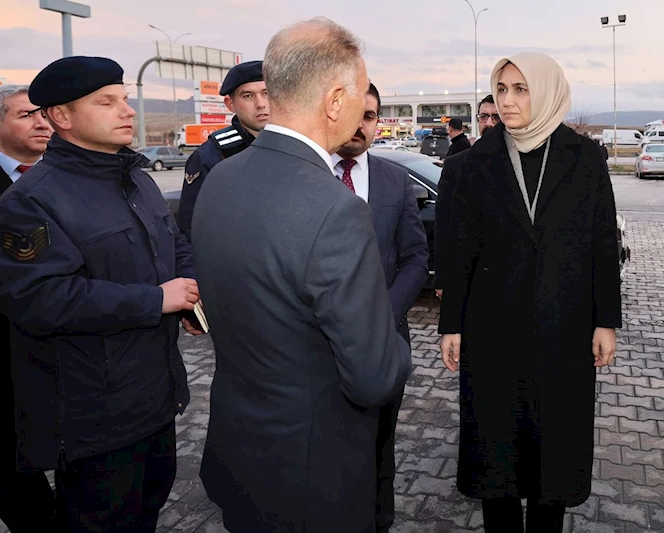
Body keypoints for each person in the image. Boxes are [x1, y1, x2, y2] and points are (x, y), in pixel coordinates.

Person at [193, 18, 412, 533]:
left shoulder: (221, 177)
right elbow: (373, 375)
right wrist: (393, 342)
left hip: (240, 453)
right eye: (360, 94)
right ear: (335, 100)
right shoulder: (334, 208)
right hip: (313, 476)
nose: (362, 109)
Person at [0, 56, 202, 533]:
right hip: (94, 413)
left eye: (125, 99)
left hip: (155, 395)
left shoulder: (136, 180)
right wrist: (154, 300)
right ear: (61, 117)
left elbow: (174, 241)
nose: (127, 111)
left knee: (145, 511)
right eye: (107, 102)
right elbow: (36, 298)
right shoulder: (32, 199)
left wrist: (189, 291)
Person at [437, 52, 621, 532]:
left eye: (520, 88)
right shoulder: (475, 161)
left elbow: (604, 241)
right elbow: (458, 252)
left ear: (546, 90)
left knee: (553, 455)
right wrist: (451, 324)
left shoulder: (585, 158)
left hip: (565, 329)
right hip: (493, 331)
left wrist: (607, 320)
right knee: (496, 455)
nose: (508, 101)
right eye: (501, 89)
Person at [332, 81, 429, 532]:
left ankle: (378, 520)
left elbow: (414, 257)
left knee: (379, 442)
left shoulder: (394, 178)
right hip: (320, 345)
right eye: (354, 113)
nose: (360, 125)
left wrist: (382, 318)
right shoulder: (307, 175)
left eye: (369, 116)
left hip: (386, 339)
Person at [0, 84, 55, 531]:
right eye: (26, 115)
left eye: (43, 114)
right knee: (10, 456)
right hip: (0, 352)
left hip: (67, 344)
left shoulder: (67, 175)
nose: (41, 122)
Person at [177, 60, 268, 242]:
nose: (261, 104)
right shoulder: (211, 156)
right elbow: (192, 229)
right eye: (248, 96)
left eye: (267, 93)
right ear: (230, 104)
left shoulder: (300, 144)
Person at [434, 94, 498, 297]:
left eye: (496, 117)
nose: (488, 123)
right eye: (483, 117)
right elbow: (444, 224)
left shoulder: (524, 166)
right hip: (469, 279)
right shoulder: (456, 165)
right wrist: (442, 279)